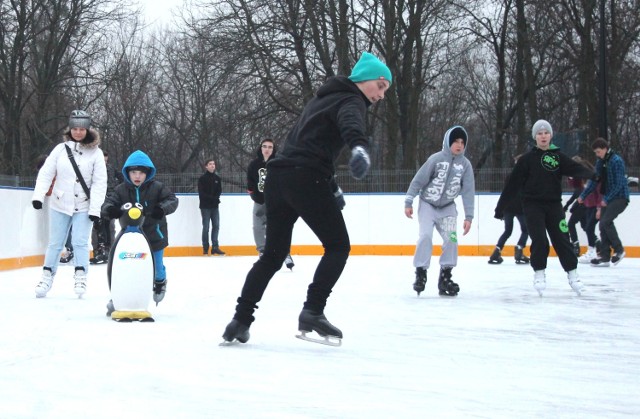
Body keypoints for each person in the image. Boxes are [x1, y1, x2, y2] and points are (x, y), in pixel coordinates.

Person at [221, 51, 391, 345]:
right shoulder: (352, 100)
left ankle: (240, 320)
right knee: (338, 246)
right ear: (366, 80)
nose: (381, 95)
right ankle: (313, 311)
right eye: (381, 86)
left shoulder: (321, 99)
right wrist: (360, 148)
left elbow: (306, 140)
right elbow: (351, 125)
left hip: (279, 177)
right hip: (305, 177)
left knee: (273, 256)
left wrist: (331, 183)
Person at [495, 120, 595, 296]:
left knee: (562, 240)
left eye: (546, 133)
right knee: (540, 240)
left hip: (554, 205)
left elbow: (577, 168)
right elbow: (512, 185)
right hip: (533, 206)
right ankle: (539, 273)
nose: (543, 136)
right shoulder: (526, 160)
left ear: (550, 136)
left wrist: (596, 176)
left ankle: (573, 275)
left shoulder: (558, 157)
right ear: (535, 137)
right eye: (539, 133)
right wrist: (500, 208)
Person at [31, 110, 108, 298]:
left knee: (80, 242)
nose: (78, 132)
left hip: (84, 205)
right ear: (70, 129)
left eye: (82, 129)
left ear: (88, 130)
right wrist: (38, 196)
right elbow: (46, 173)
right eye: (75, 128)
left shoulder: (96, 153)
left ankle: (81, 275)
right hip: (59, 203)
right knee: (55, 243)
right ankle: (47, 275)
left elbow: (100, 182)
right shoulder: (60, 149)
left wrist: (95, 209)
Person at [404, 126, 475, 297]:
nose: (459, 145)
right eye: (456, 141)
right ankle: (421, 272)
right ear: (448, 142)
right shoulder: (436, 159)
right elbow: (419, 180)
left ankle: (445, 277)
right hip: (428, 204)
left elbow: (468, 191)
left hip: (448, 207)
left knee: (452, 239)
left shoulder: (465, 165)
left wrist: (469, 216)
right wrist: (409, 200)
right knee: (425, 236)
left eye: (462, 142)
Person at [102, 150, 179, 307]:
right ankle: (118, 297)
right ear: (128, 173)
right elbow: (108, 203)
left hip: (154, 235)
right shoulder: (121, 189)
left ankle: (159, 281)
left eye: (141, 173)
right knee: (125, 268)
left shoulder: (157, 187)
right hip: (129, 238)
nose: (137, 176)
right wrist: (111, 210)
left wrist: (161, 209)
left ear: (148, 173)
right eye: (134, 172)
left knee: (156, 266)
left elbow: (172, 200)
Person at [578, 137, 629, 267]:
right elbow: (594, 180)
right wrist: (583, 195)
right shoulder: (601, 162)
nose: (597, 154)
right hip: (608, 197)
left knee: (606, 221)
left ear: (606, 149)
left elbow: (619, 184)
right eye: (596, 152)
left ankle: (619, 250)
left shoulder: (616, 161)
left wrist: (606, 199)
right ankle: (605, 257)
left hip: (620, 197)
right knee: (602, 224)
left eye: (599, 152)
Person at [247, 138, 294, 270]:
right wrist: (256, 198)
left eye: (270, 147)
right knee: (258, 227)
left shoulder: (278, 163)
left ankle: (285, 252)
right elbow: (250, 184)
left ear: (273, 150)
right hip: (260, 201)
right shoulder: (254, 165)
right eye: (265, 146)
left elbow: (283, 182)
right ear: (261, 148)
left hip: (276, 201)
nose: (267, 149)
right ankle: (262, 251)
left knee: (279, 228)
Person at [488, 154, 530, 265]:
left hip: (508, 207)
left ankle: (496, 251)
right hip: (520, 207)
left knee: (507, 231)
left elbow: (506, 192)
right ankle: (519, 249)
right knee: (526, 230)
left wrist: (501, 208)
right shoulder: (527, 176)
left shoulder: (510, 175)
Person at [90, 151, 123, 264]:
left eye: (105, 160)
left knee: (110, 226)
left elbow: (122, 179)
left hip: (109, 200)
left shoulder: (111, 168)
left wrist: (115, 192)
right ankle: (98, 251)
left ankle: (110, 251)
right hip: (97, 200)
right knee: (97, 225)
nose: (104, 162)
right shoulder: (92, 169)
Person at [563, 156, 595, 256]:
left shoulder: (579, 175)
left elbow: (579, 192)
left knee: (571, 224)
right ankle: (598, 243)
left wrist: (568, 205)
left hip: (584, 202)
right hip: (585, 202)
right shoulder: (578, 175)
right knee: (585, 226)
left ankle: (576, 247)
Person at [198, 159, 225, 255]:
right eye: (210, 164)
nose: (212, 165)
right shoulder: (202, 179)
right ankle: (205, 248)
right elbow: (201, 193)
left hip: (215, 207)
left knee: (216, 226)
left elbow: (219, 191)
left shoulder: (217, 178)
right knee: (206, 227)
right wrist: (212, 198)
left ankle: (215, 247)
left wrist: (215, 199)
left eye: (213, 164)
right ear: (206, 166)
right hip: (205, 207)